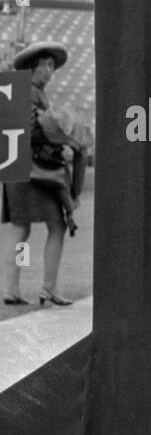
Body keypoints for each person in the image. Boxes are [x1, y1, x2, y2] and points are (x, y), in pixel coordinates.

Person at [1, 41, 90, 307]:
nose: (50, 71)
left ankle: (12, 288)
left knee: (21, 229)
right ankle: (48, 288)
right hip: (35, 171)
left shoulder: (16, 91)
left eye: (52, 66)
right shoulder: (32, 92)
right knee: (57, 225)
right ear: (32, 67)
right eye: (45, 65)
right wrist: (63, 136)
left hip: (16, 167)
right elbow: (36, 129)